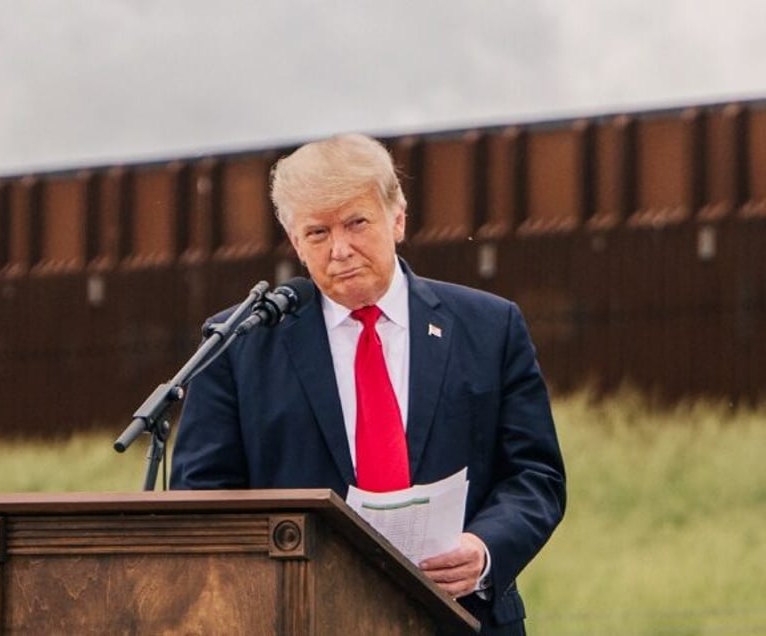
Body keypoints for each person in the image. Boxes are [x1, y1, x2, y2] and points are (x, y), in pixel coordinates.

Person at [170, 133, 566, 635]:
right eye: (317, 233)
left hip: (466, 617)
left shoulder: (489, 327)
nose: (340, 249)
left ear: (397, 218)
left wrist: (484, 548)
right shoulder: (239, 344)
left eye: (356, 222)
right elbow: (203, 500)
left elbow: (536, 475)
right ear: (294, 242)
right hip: (304, 619)